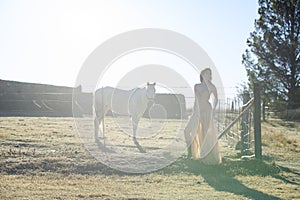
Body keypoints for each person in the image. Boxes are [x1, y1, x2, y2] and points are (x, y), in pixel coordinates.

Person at [184, 68, 221, 165]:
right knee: (187, 131)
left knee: (205, 133)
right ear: (202, 75)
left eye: (209, 74)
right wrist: (195, 112)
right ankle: (190, 153)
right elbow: (196, 100)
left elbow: (216, 99)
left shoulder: (212, 87)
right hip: (196, 111)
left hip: (206, 111)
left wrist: (213, 110)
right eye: (206, 74)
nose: (208, 75)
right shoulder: (196, 86)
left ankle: (207, 156)